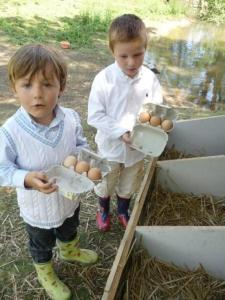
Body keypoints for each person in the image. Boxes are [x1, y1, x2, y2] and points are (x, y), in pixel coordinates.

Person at [0, 44, 98, 300]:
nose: (37, 95)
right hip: (37, 207)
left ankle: (69, 251)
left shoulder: (71, 118)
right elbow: (2, 169)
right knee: (41, 243)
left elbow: (80, 146)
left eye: (47, 84)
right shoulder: (11, 132)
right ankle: (45, 272)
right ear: (14, 88)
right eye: (27, 85)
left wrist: (82, 161)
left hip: (68, 198)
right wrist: (26, 178)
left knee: (70, 226)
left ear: (61, 87)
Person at [87, 14, 163, 232]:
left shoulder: (149, 78)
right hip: (110, 147)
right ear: (113, 52)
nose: (131, 62)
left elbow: (156, 108)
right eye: (124, 56)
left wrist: (155, 123)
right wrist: (121, 131)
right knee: (106, 181)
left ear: (145, 49)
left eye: (138, 54)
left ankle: (122, 209)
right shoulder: (104, 80)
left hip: (138, 147)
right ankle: (103, 209)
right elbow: (95, 115)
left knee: (130, 181)